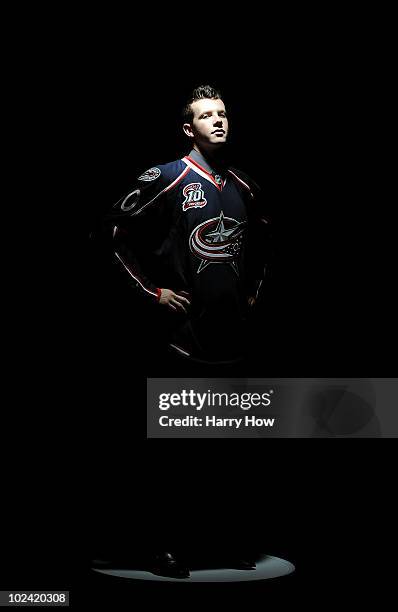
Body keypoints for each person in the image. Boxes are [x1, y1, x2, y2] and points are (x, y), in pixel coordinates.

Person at [99, 84, 270, 375]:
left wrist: (254, 290)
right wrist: (151, 293)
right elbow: (108, 234)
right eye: (206, 116)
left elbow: (265, 243)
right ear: (189, 130)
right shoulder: (167, 177)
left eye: (222, 114)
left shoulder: (245, 186)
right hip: (183, 344)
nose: (218, 120)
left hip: (238, 343)